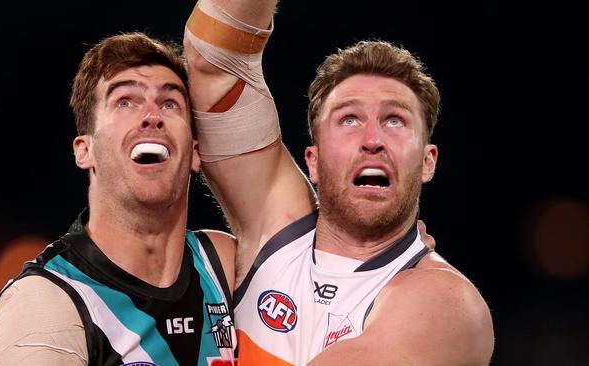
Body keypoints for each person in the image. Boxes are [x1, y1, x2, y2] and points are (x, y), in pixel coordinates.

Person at [184, 0, 495, 364]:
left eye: (395, 120)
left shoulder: (447, 303)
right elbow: (214, 58)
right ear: (313, 162)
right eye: (349, 120)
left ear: (428, 161)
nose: (372, 139)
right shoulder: (278, 233)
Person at [0, 33, 237, 366]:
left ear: (196, 153)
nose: (152, 115)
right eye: (125, 101)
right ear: (86, 150)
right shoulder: (42, 305)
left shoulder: (224, 267)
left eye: (170, 103)